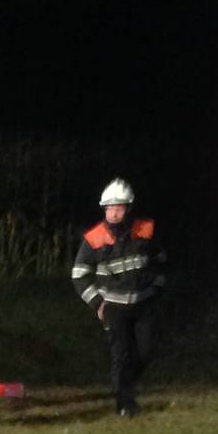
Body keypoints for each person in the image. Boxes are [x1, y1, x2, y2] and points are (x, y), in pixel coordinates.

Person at [71, 178, 166, 417]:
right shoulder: (94, 238)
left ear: (128, 208)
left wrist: (156, 287)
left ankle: (123, 385)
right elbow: (79, 275)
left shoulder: (145, 231)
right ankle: (124, 404)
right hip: (113, 306)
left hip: (143, 303)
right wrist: (97, 303)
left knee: (146, 350)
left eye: (119, 207)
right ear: (104, 209)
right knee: (121, 354)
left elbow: (162, 261)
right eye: (110, 208)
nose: (114, 212)